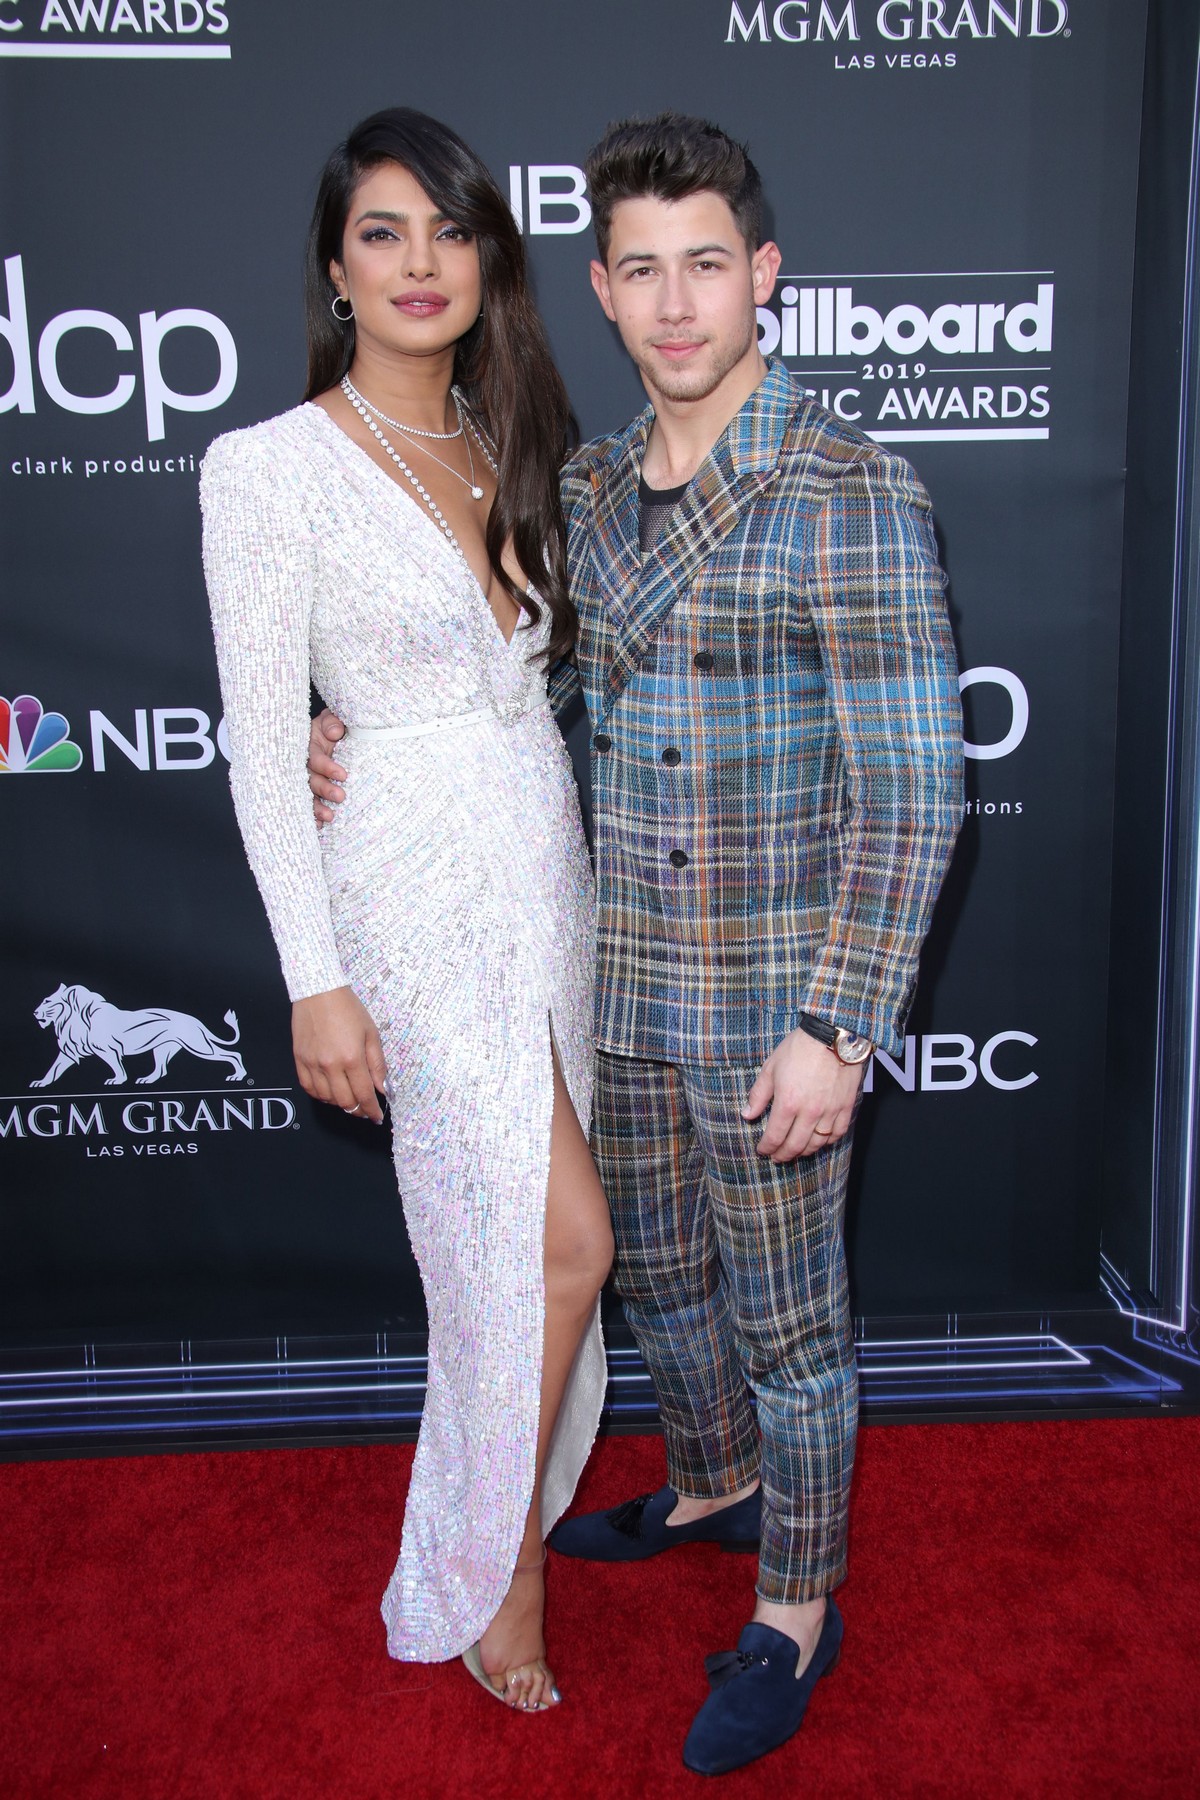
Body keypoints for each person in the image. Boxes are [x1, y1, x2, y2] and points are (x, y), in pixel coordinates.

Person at [309, 112, 963, 1773]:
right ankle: (712, 1482)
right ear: (601, 289)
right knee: (662, 1282)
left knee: (791, 1321)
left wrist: (844, 1022)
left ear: (766, 277)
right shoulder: (584, 491)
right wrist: (352, 735)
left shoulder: (848, 490)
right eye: (642, 271)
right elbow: (516, 704)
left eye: (708, 267)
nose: (677, 305)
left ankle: (796, 1608)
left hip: (774, 1008)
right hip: (608, 982)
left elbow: (915, 787)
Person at [200, 106, 613, 1715]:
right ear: (337, 268)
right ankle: (493, 1563)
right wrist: (314, 978)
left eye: (448, 230)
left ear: (487, 260)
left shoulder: (519, 442)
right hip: (405, 893)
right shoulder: (267, 468)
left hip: (544, 869)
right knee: (543, 1240)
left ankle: (496, 1516)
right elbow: (255, 738)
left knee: (524, 1252)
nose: (419, 262)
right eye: (385, 232)